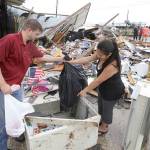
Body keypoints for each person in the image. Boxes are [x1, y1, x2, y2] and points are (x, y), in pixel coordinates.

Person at [0, 19, 64, 150]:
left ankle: (16, 133)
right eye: (36, 34)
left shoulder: (29, 44)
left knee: (17, 114)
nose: (37, 38)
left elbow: (41, 57)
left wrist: (59, 59)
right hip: (3, 89)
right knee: (3, 122)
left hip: (16, 87)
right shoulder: (10, 40)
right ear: (29, 30)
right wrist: (3, 85)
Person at [69, 39, 125, 134]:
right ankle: (101, 120)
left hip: (113, 90)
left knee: (107, 109)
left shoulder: (113, 65)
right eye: (97, 52)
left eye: (100, 54)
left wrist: (85, 90)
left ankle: (104, 127)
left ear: (109, 54)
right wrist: (71, 62)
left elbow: (98, 80)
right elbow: (87, 59)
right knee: (101, 106)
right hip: (103, 87)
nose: (97, 56)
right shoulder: (101, 53)